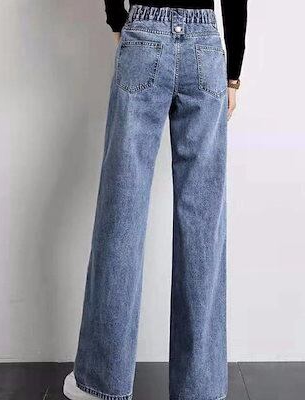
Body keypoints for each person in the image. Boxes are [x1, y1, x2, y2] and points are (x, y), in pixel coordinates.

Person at [64, 1, 247, 399]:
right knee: (203, 223)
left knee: (122, 211)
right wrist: (233, 75)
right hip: (205, 47)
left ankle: (101, 384)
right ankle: (200, 389)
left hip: (144, 33)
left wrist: (118, 20)